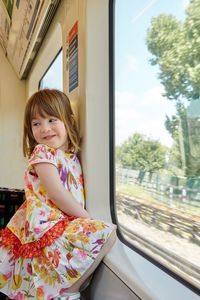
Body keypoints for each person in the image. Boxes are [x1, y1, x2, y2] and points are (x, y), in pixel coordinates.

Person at [0, 89, 116, 300]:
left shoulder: (70, 156)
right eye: (36, 124)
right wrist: (86, 218)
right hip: (45, 221)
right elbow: (55, 192)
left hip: (60, 219)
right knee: (106, 233)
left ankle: (67, 289)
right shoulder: (42, 153)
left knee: (30, 277)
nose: (45, 129)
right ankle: (71, 289)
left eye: (52, 120)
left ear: (68, 121)